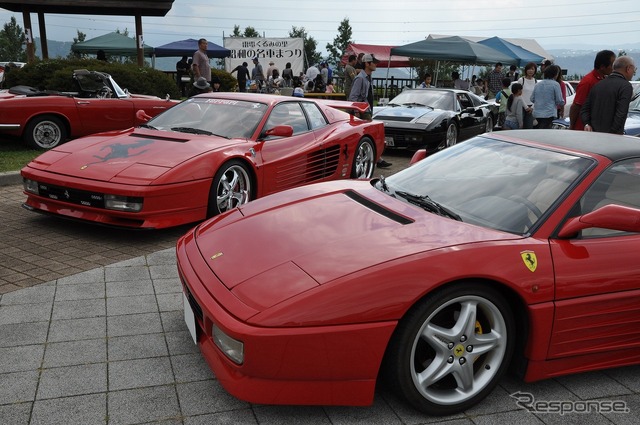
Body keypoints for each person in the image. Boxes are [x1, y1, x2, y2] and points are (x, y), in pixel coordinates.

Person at [348, 53, 392, 169]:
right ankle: (377, 159)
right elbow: (353, 97)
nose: (375, 64)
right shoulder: (360, 78)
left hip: (366, 109)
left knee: (368, 137)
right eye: (374, 62)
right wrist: (357, 113)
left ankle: (375, 159)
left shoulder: (367, 77)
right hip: (362, 111)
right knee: (371, 135)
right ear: (367, 64)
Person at [581, 56, 636, 134]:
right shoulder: (625, 86)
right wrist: (612, 132)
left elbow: (584, 109)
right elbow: (621, 113)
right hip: (612, 137)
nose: (633, 73)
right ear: (628, 68)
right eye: (634, 70)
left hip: (593, 134)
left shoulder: (598, 84)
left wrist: (587, 124)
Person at [569, 49, 616, 130]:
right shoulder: (588, 81)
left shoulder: (604, 79)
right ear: (602, 67)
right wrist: (572, 126)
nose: (613, 68)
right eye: (612, 65)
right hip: (584, 127)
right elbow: (576, 106)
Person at [530, 65, 564, 129]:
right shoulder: (555, 84)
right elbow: (559, 100)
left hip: (537, 114)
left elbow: (532, 99)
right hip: (549, 113)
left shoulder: (538, 84)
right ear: (555, 74)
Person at [515, 62, 537, 129]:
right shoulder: (521, 80)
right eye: (529, 69)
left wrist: (532, 107)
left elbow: (536, 95)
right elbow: (518, 94)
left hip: (531, 107)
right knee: (520, 126)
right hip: (521, 106)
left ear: (535, 70)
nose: (530, 71)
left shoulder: (535, 81)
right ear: (526, 70)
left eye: (532, 69)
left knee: (529, 127)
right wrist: (526, 107)